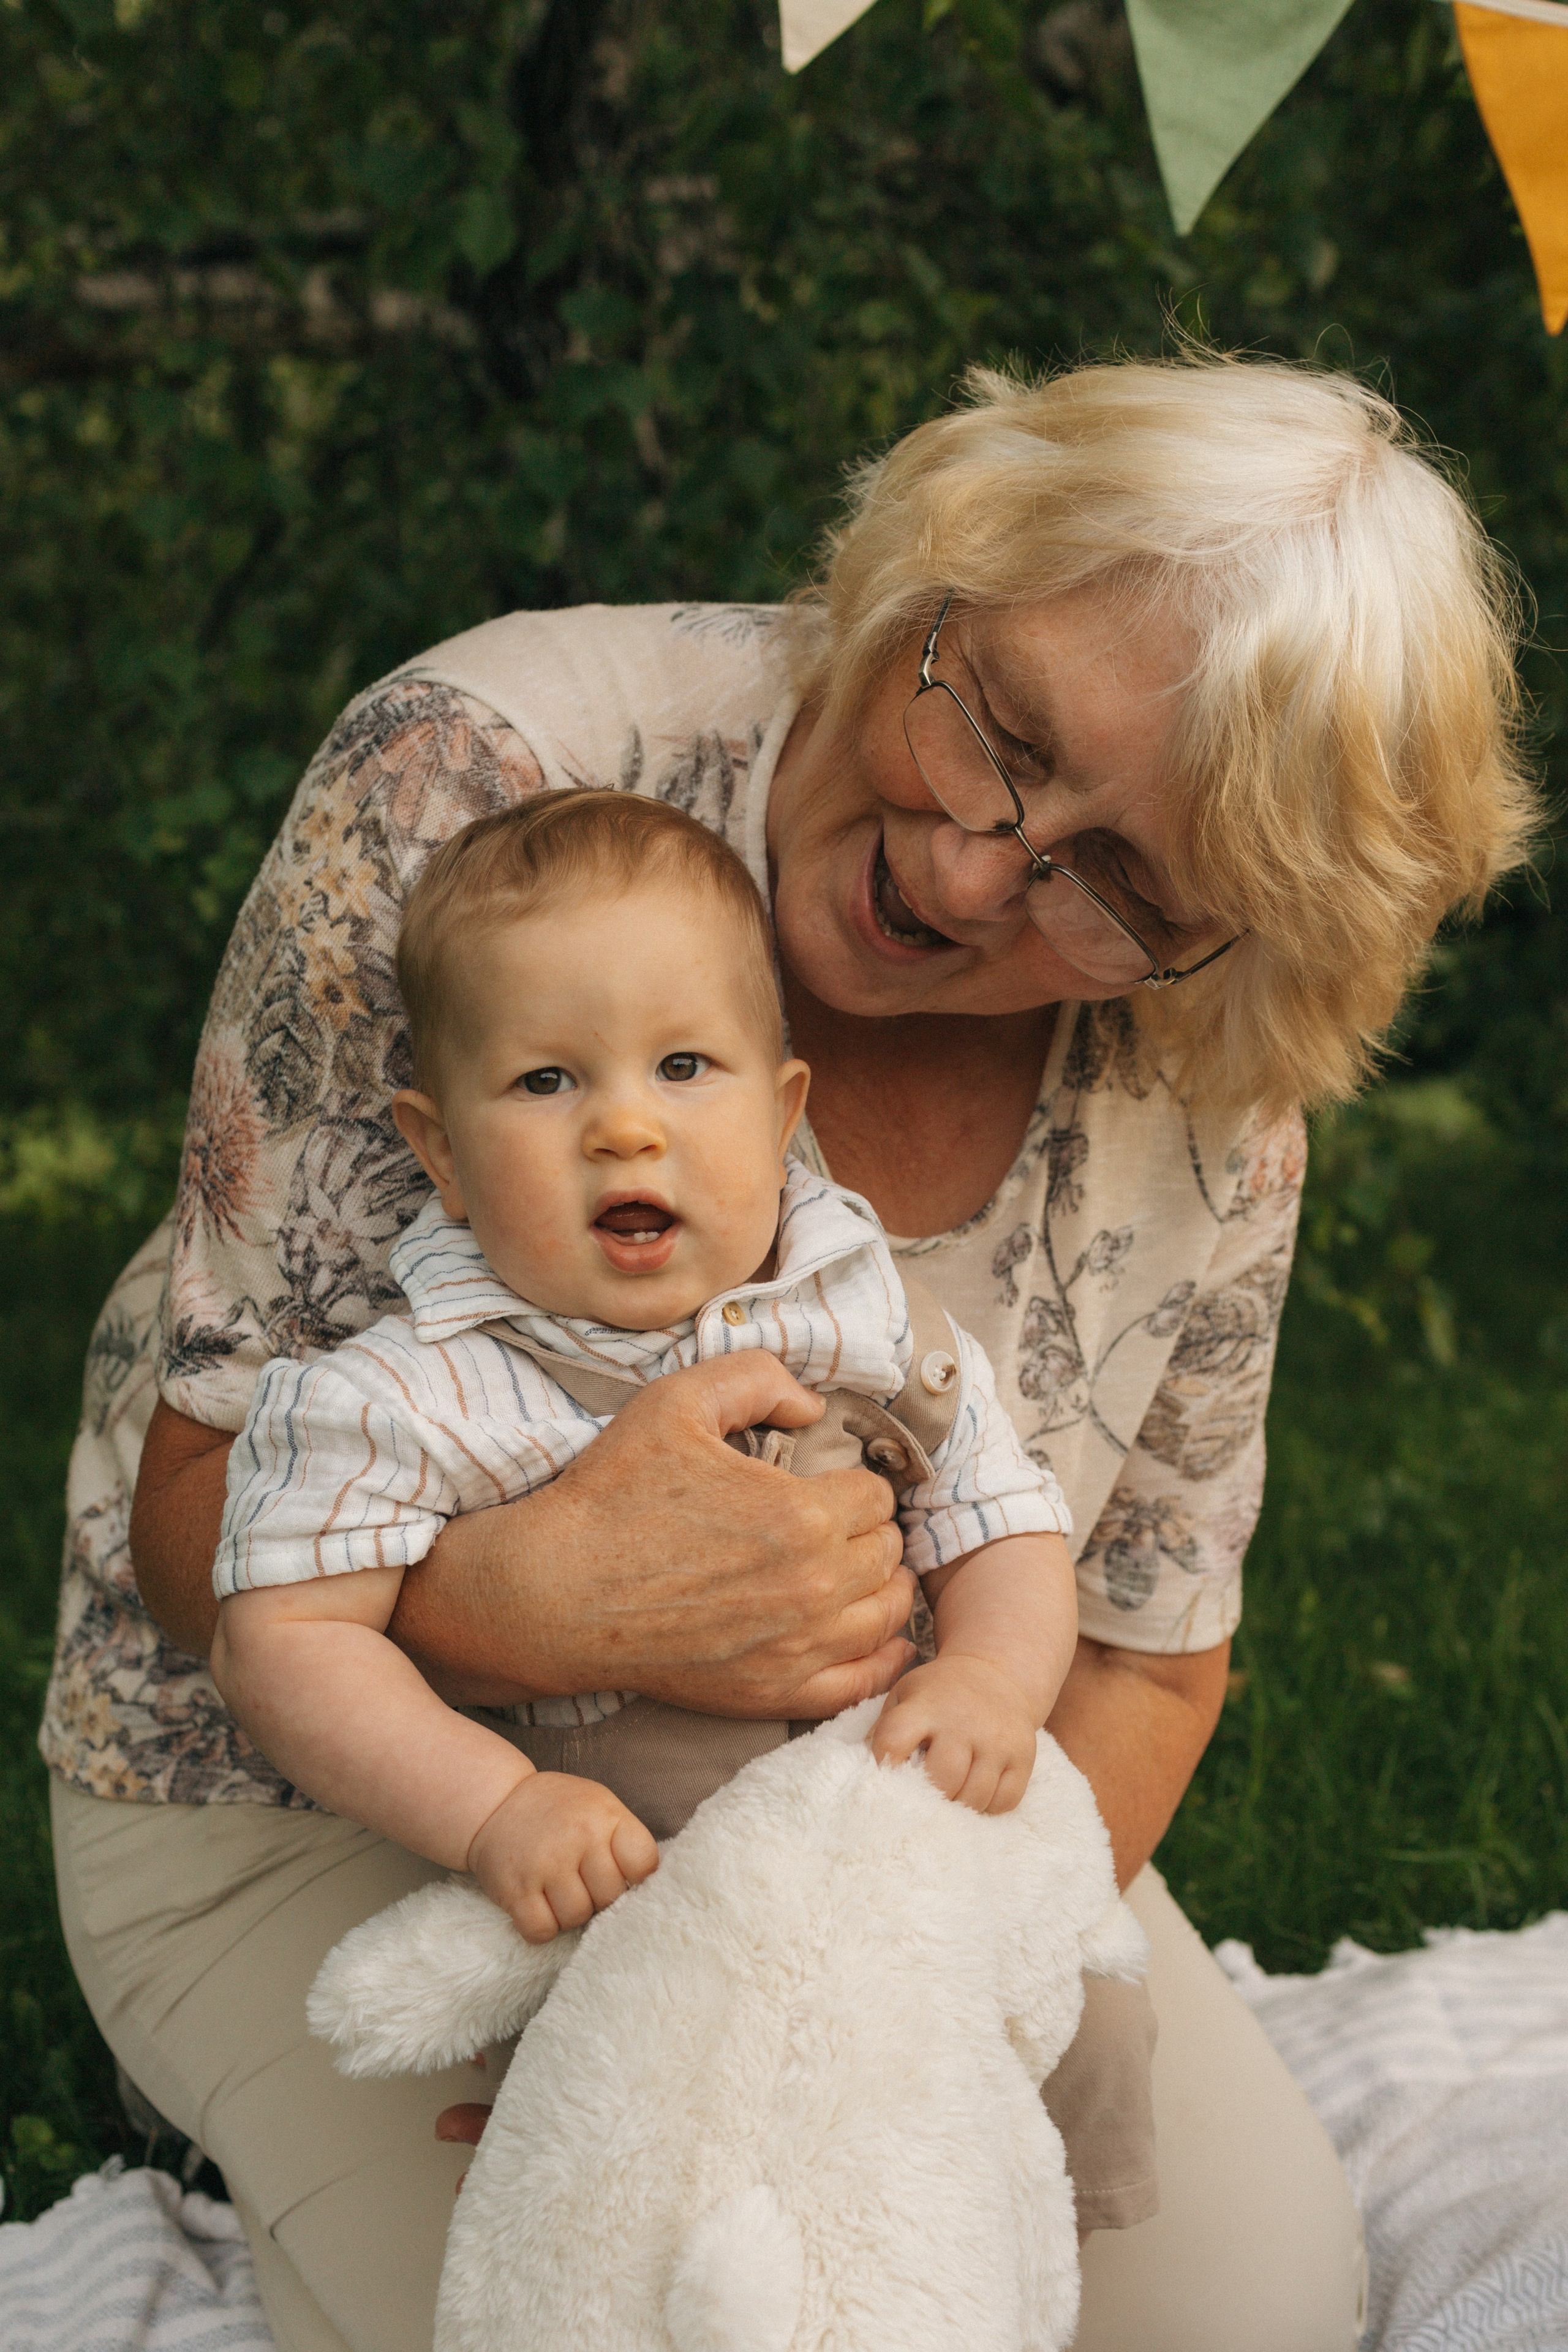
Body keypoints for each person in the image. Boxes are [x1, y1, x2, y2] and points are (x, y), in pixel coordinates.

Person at [43, 351, 1534, 2352]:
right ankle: (254, 2060)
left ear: (1233, 935)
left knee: (1245, 2307)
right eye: (1000, 728)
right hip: (342, 1807)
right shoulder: (481, 778)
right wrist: (556, 1616)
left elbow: (1151, 1651)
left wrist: (911, 1986)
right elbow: (199, 1515)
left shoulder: (1211, 1056)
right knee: (622, 2299)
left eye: (1124, 883)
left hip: (878, 1820)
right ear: (938, 560)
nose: (977, 867)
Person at [208, 788, 1079, 1943]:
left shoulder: (861, 1316)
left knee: (1080, 2046)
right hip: (620, 1917)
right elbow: (282, 1644)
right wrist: (498, 1809)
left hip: (891, 1863)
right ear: (444, 1155)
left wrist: (992, 1680)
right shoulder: (406, 1398)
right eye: (546, 1081)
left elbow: (1002, 1520)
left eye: (682, 1064)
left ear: (780, 1123)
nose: (626, 1127)